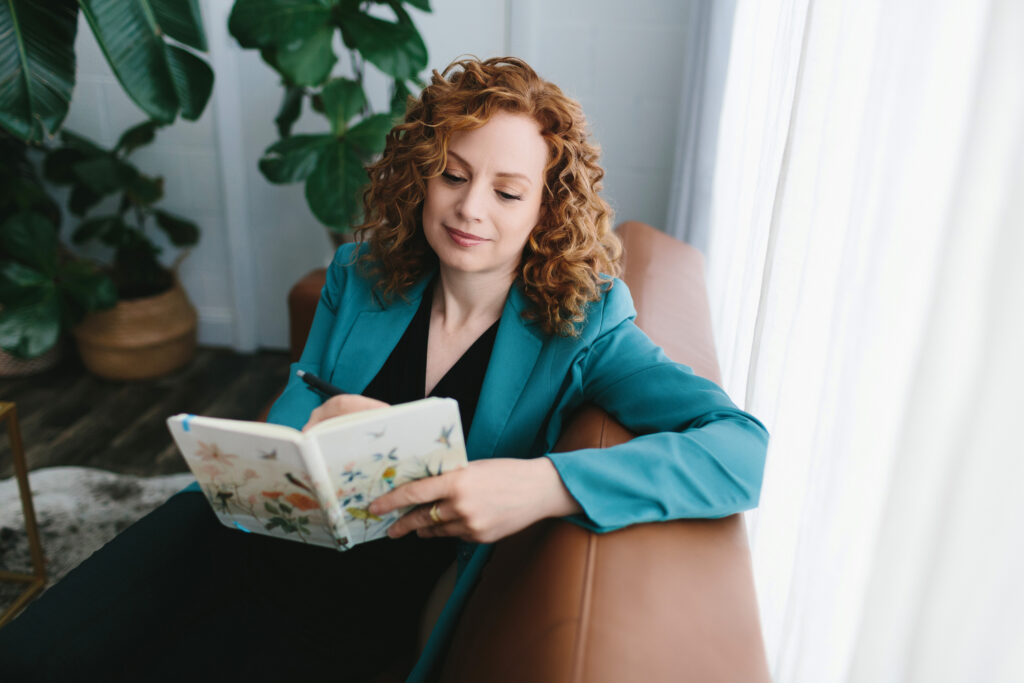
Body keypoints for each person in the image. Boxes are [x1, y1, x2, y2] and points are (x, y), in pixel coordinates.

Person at [0, 57, 768, 682]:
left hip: (367, 593)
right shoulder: (361, 272)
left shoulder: (586, 322)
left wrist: (542, 484)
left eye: (507, 191)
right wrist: (305, 430)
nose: (470, 209)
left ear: (546, 209)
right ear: (420, 174)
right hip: (258, 519)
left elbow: (739, 448)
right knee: (35, 653)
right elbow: (303, 389)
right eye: (453, 175)